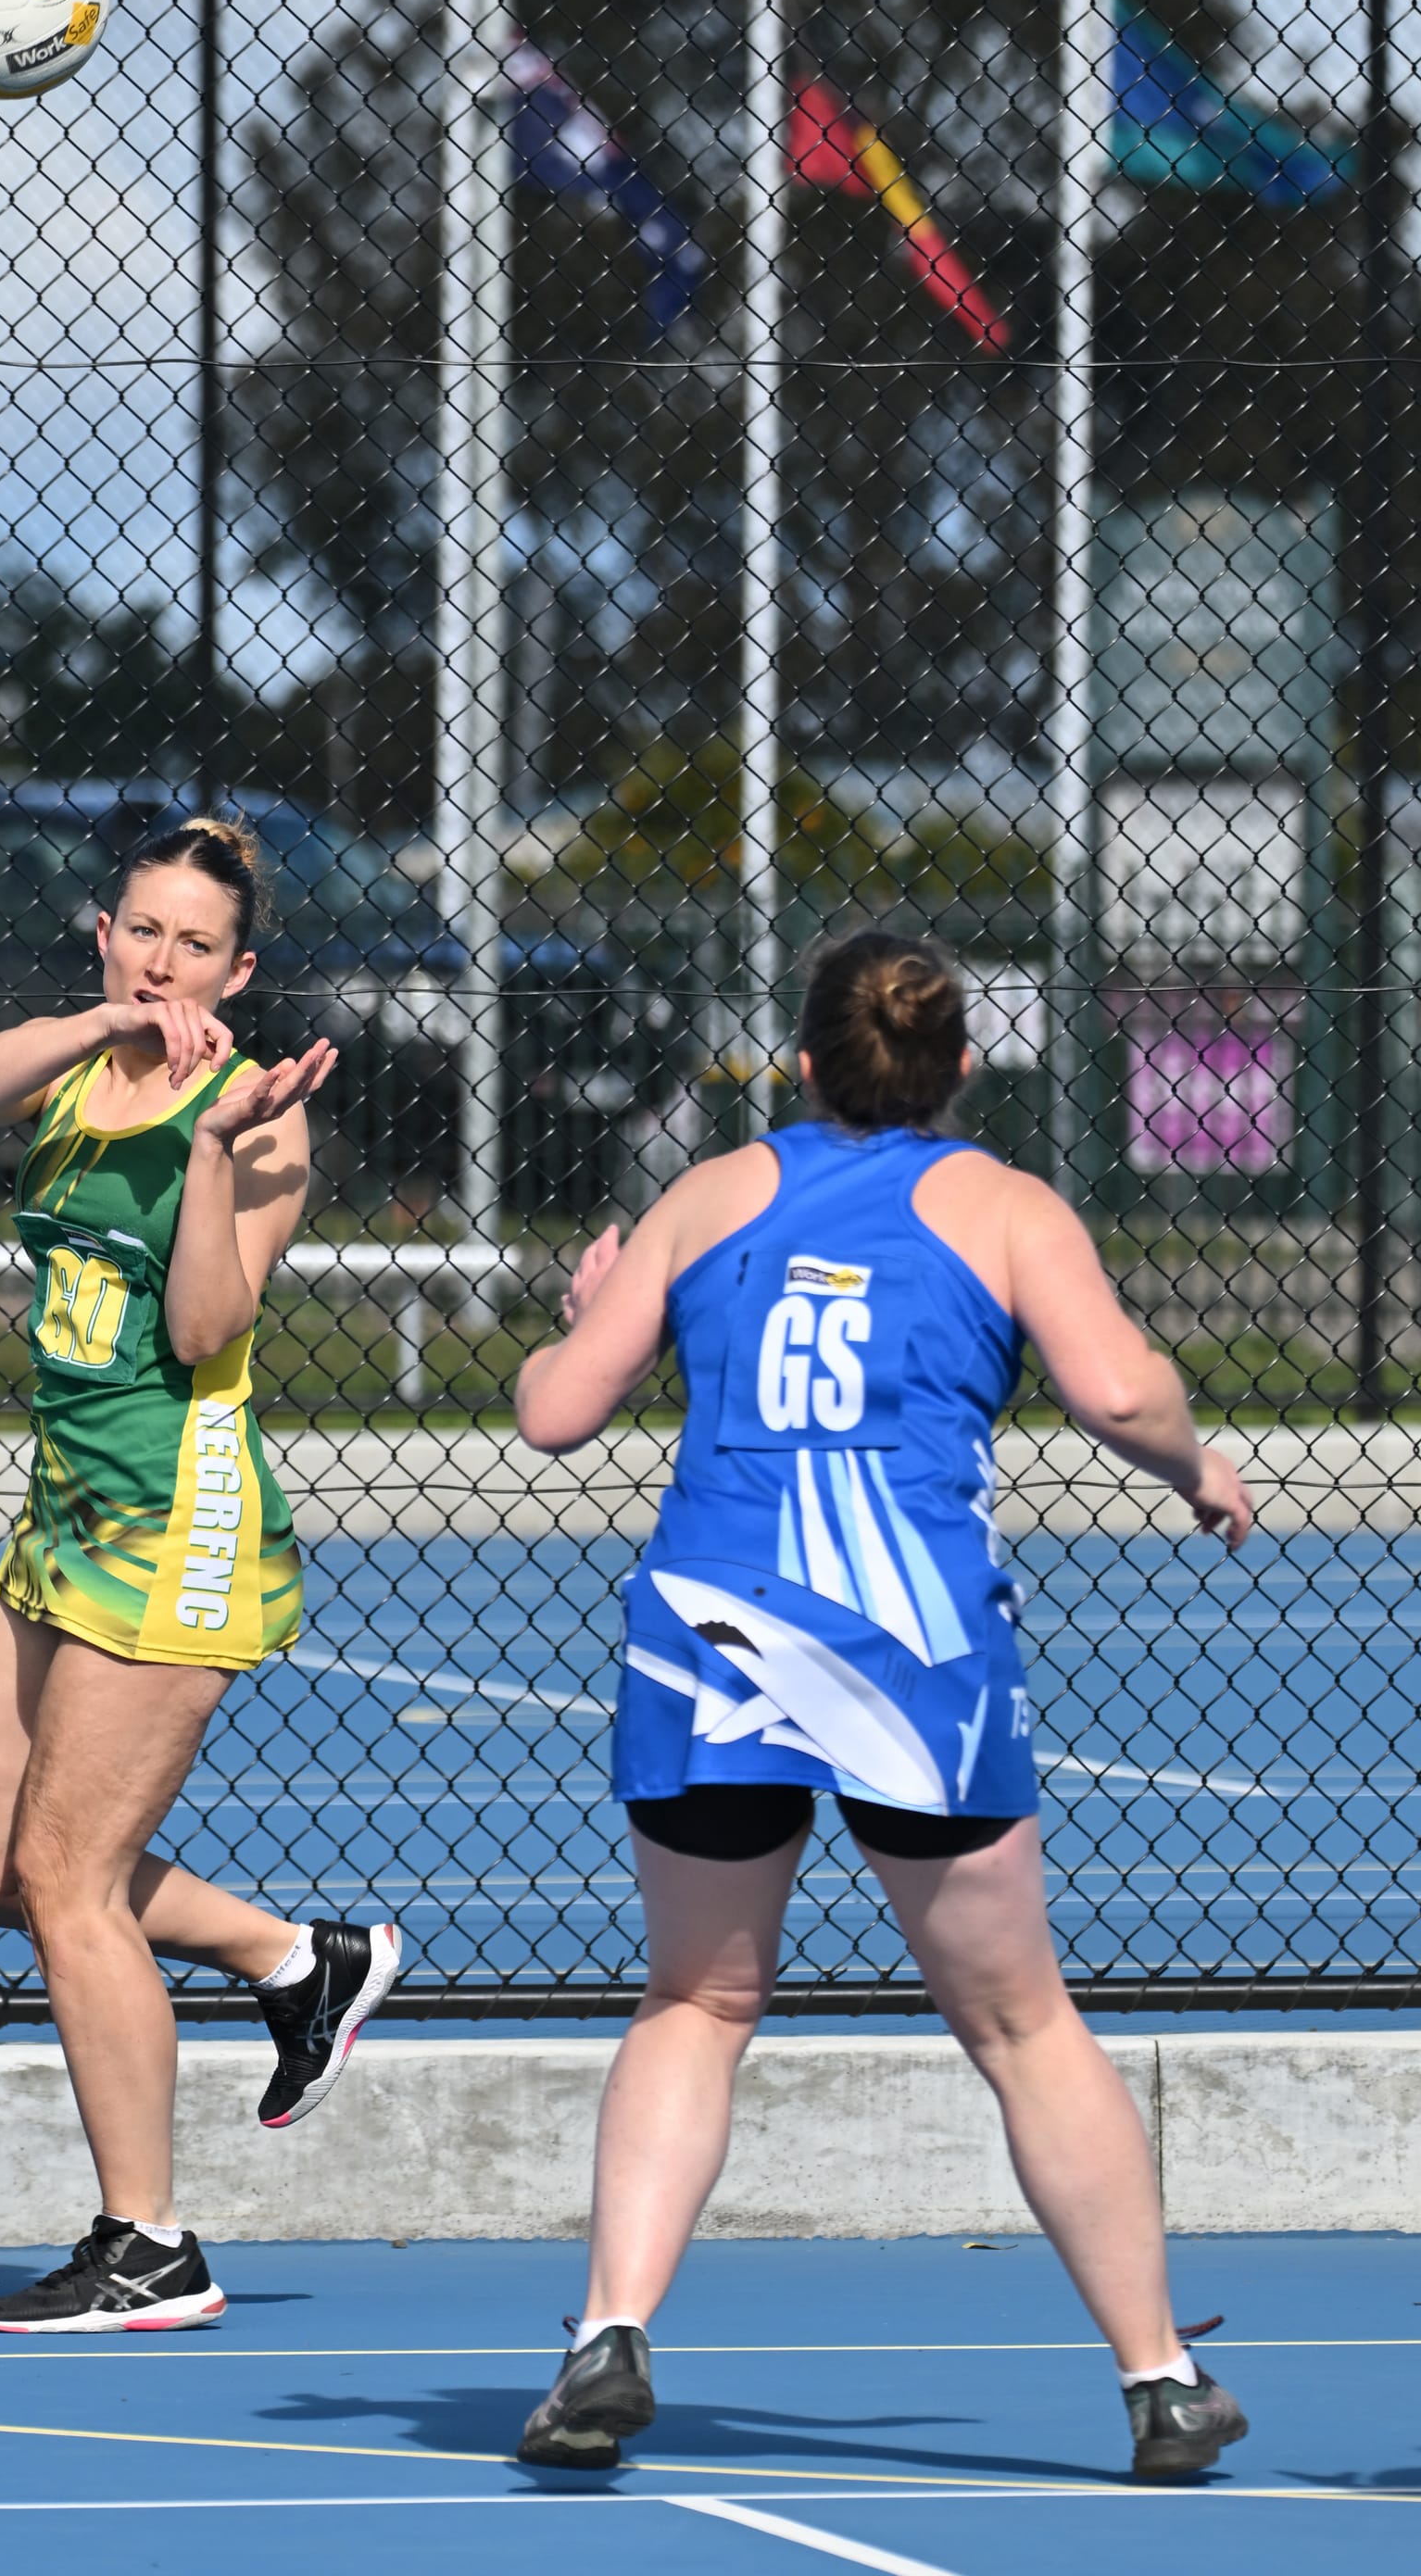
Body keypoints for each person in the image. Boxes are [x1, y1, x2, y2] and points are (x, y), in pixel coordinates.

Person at [511, 930, 1253, 2482]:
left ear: (796, 1064)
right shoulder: (1004, 1206)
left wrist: (591, 1309)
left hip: (715, 1627)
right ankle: (1158, 2377)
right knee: (1023, 2022)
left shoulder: (711, 1194)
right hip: (909, 1641)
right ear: (963, 1068)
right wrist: (1196, 1463)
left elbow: (557, 1412)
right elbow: (1118, 1392)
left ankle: (608, 2335)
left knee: (697, 2004)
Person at [0, 815, 400, 2336]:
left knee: (65, 1882)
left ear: (239, 969)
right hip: (65, 1516)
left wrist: (199, 1147)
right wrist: (107, 1027)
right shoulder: (75, 1060)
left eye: (195, 944)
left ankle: (151, 2244)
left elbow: (201, 1328)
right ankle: (292, 1956)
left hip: (174, 1532)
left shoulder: (259, 1118)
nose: (165, 960)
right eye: (143, 931)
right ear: (106, 934)